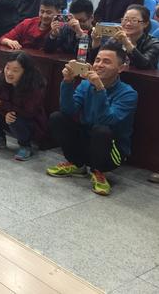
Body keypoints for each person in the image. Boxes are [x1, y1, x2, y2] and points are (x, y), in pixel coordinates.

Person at [47, 41, 138, 196]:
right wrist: (67, 82)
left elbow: (107, 120)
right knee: (58, 118)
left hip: (112, 150)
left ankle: (99, 171)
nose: (99, 65)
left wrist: (99, 89)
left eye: (106, 62)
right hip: (88, 140)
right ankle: (77, 165)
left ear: (121, 68)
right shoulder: (85, 85)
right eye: (97, 60)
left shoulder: (128, 94)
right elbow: (68, 110)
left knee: (101, 130)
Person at [0, 51, 47, 161]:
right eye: (7, 68)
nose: (9, 73)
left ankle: (26, 146)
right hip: (7, 114)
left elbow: (29, 112)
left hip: (29, 122)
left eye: (15, 70)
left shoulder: (35, 84)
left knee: (14, 118)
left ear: (25, 72)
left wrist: (3, 106)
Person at [90, 4, 159, 69]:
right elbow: (96, 60)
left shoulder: (153, 43)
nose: (128, 24)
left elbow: (145, 64)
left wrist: (127, 44)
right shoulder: (115, 40)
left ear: (145, 24)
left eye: (134, 20)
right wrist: (96, 42)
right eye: (125, 19)